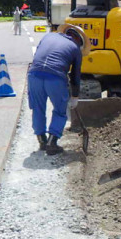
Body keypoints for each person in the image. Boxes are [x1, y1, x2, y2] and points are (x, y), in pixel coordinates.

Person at [27, 24, 90, 155]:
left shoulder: (48, 36)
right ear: (79, 40)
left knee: (38, 107)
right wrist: (75, 97)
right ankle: (52, 142)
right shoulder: (75, 48)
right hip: (55, 78)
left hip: (34, 75)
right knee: (60, 110)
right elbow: (75, 75)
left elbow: (39, 55)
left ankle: (42, 140)